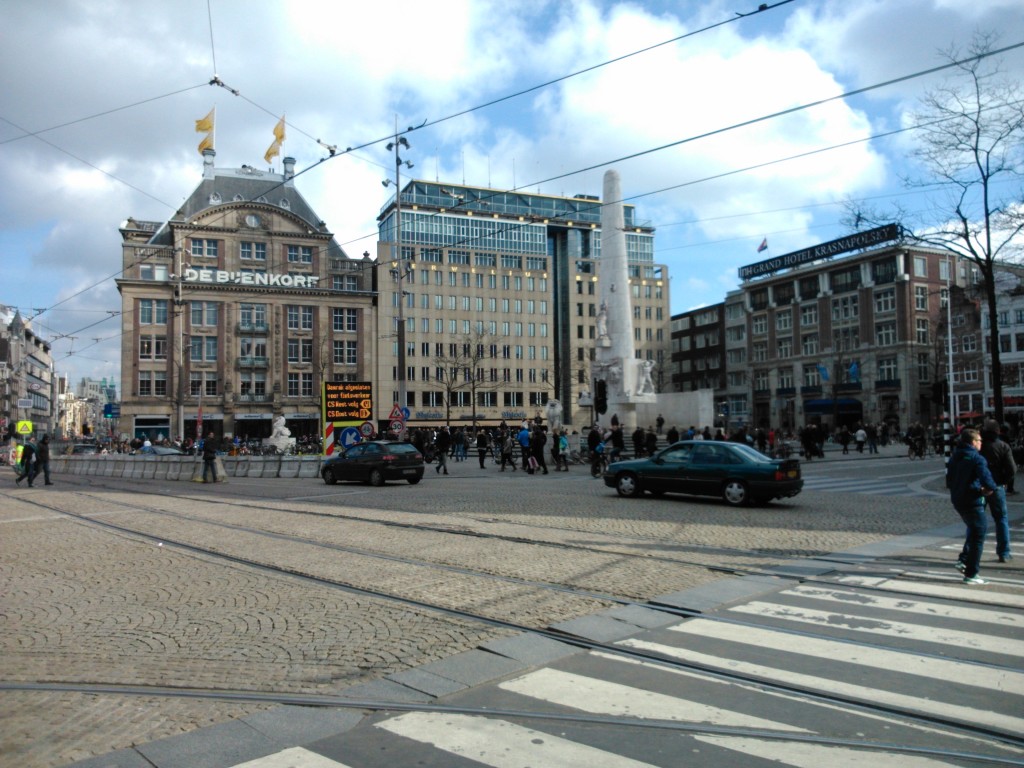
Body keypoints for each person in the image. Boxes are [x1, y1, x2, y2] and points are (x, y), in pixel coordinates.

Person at [947, 428, 997, 584]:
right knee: (978, 535)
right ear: (973, 442)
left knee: (973, 530)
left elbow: (949, 480)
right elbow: (988, 482)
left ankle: (964, 560)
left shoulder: (955, 456)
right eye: (979, 440)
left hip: (958, 499)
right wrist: (985, 490)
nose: (981, 443)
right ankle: (971, 573)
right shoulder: (977, 459)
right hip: (972, 500)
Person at [978, 420, 1015, 563]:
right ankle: (1004, 553)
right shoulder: (1003, 446)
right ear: (998, 431)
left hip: (980, 488)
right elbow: (1012, 469)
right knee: (1001, 519)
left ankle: (972, 551)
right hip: (997, 487)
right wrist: (1003, 481)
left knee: (977, 519)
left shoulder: (979, 446)